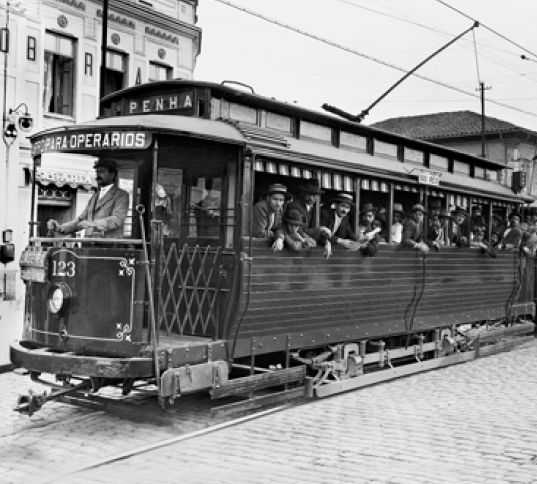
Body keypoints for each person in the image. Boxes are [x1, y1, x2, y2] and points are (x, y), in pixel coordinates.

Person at [47, 159, 129, 238]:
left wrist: (92, 224)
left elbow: (117, 219)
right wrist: (60, 228)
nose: (98, 175)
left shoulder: (121, 195)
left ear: (112, 174)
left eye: (102, 172)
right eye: (97, 172)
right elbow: (80, 220)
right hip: (89, 245)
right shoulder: (94, 197)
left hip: (110, 246)